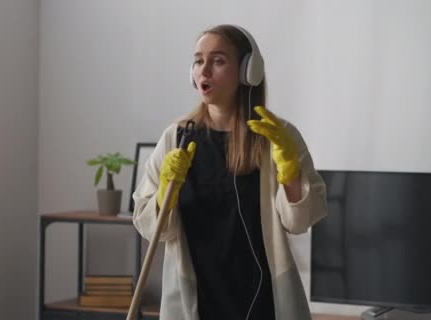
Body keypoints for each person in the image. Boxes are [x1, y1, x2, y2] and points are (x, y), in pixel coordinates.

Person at [132, 24, 327, 320]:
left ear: (248, 71)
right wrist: (163, 195)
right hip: (196, 299)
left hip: (264, 303)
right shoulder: (176, 137)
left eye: (218, 60)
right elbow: (151, 227)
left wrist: (290, 172)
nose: (204, 70)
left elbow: (301, 221)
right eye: (198, 61)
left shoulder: (278, 136)